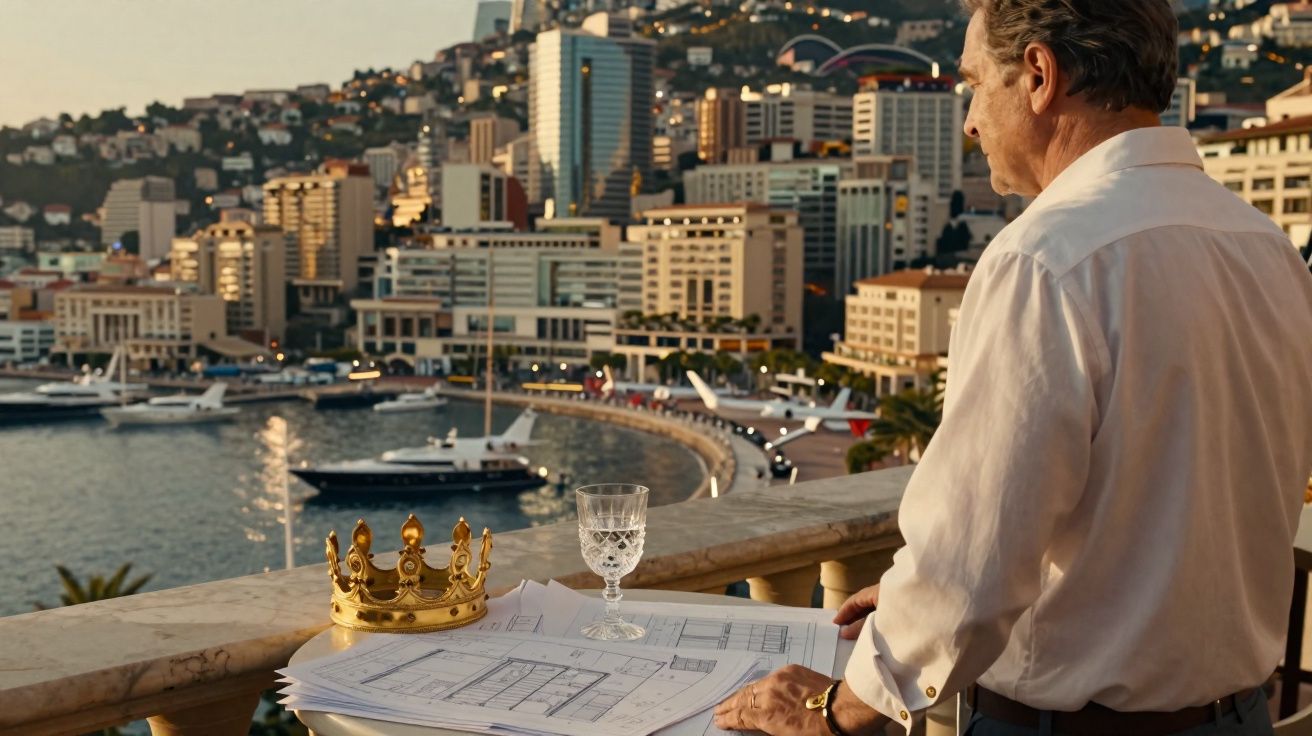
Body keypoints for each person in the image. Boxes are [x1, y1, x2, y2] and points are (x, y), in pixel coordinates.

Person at [714, 0, 1312, 734]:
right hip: (1243, 716)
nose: (969, 120)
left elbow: (972, 557)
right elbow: (1164, 513)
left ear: (1037, 74)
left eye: (973, 84)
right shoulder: (1265, 248)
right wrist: (915, 603)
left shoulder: (1045, 259)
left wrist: (830, 710)